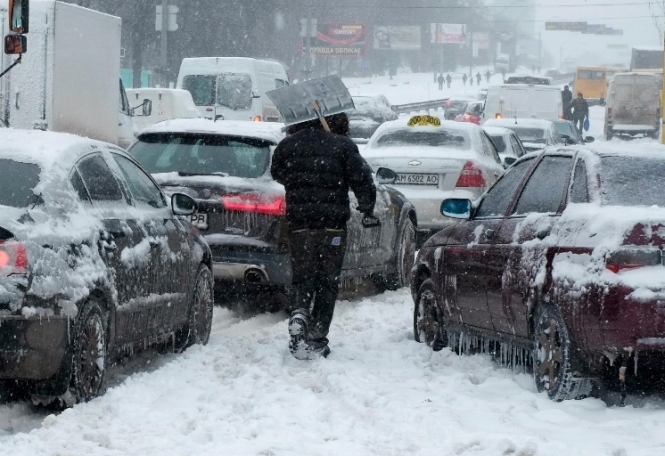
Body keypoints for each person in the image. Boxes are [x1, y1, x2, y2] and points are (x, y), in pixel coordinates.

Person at [271, 113, 376, 360]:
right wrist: (366, 206)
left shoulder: (288, 145)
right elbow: (362, 179)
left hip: (299, 225)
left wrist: (299, 180)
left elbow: (277, 174)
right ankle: (317, 336)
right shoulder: (342, 145)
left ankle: (299, 312)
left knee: (303, 276)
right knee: (327, 281)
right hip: (333, 228)